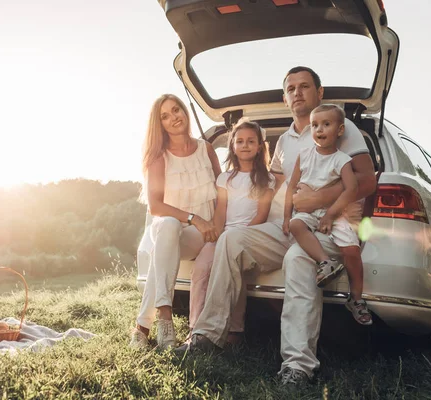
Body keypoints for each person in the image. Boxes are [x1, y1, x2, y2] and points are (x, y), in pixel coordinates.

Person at [176, 67, 376, 386]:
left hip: (324, 229)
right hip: (285, 226)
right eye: (291, 88)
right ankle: (206, 335)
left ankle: (298, 366)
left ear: (319, 93)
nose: (297, 92)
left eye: (304, 86)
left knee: (298, 260)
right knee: (232, 240)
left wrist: (320, 197)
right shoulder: (284, 140)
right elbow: (277, 185)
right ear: (285, 98)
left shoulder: (342, 127)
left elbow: (367, 180)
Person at [129, 94, 221, 351]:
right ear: (159, 124)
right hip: (170, 228)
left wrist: (213, 222)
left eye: (176, 110)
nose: (174, 118)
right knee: (168, 225)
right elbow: (156, 206)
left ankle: (142, 326)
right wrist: (194, 218)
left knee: (162, 251)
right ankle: (165, 315)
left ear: (185, 111)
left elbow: (222, 189)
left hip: (197, 236)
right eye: (165, 116)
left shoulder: (207, 149)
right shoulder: (158, 157)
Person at [283, 104, 372, 325]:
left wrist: (330, 215)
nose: (319, 130)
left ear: (340, 130)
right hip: (307, 212)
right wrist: (286, 217)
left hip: (335, 212)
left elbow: (351, 189)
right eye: (314, 125)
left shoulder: (342, 160)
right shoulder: (303, 156)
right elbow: (291, 187)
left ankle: (357, 299)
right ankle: (325, 262)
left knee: (351, 250)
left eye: (326, 124)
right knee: (296, 225)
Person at [189, 120, 275, 343]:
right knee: (201, 268)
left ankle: (235, 330)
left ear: (259, 147)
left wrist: (241, 237)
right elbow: (221, 212)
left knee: (234, 271)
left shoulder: (267, 179)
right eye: (239, 141)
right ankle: (195, 327)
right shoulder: (224, 178)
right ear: (233, 147)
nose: (245, 145)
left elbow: (261, 215)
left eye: (250, 141)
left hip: (249, 235)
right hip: (223, 233)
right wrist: (214, 236)